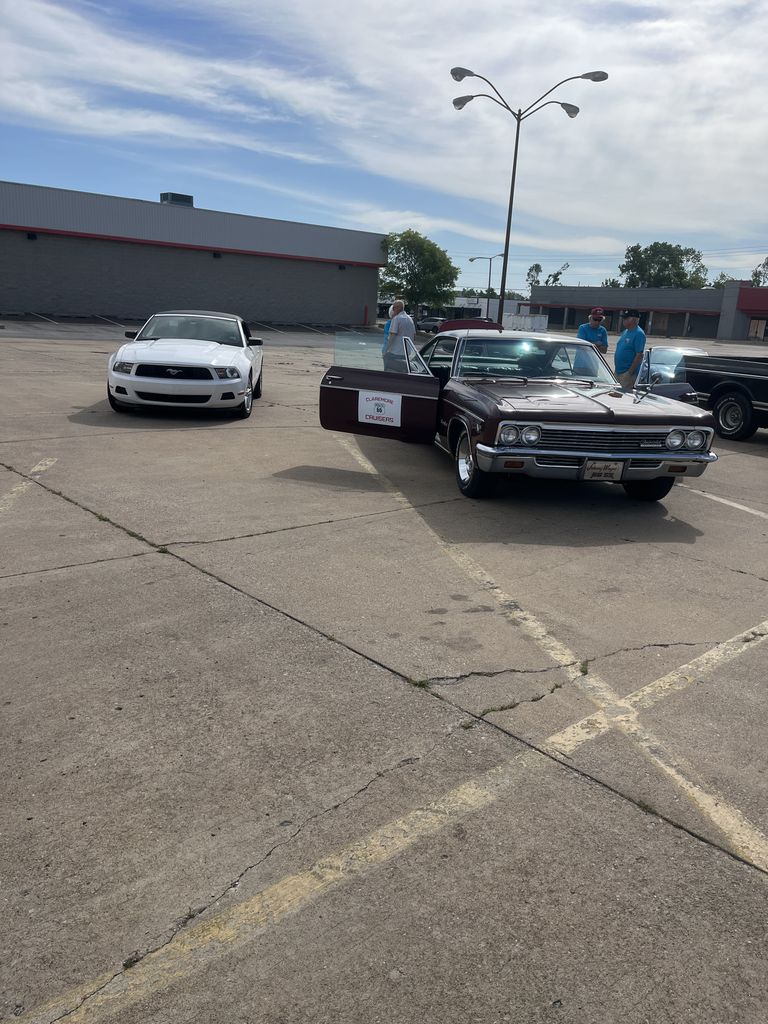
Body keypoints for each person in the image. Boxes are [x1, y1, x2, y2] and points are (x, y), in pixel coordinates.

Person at [614, 309, 647, 389]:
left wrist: (629, 373)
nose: (623, 320)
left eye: (626, 318)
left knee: (624, 395)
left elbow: (639, 355)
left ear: (634, 319)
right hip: (618, 372)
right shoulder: (626, 331)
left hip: (627, 374)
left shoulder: (639, 334)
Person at [383, 299, 415, 371]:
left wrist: (385, 350)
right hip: (406, 352)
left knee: (389, 370)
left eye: (394, 308)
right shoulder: (410, 319)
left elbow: (392, 336)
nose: (393, 310)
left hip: (395, 352)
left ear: (399, 308)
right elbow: (414, 335)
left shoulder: (396, 319)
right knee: (401, 371)